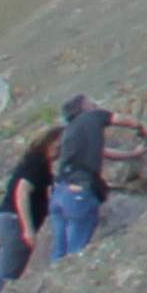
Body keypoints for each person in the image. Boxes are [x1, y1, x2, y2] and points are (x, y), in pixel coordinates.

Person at [0, 127, 55, 293]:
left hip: (1, 219)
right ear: (49, 145)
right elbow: (22, 191)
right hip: (14, 225)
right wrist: (28, 229)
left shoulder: (29, 162)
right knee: (5, 282)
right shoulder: (38, 165)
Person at [50, 92, 118, 259]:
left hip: (59, 193)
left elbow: (104, 152)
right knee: (74, 252)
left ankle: (52, 281)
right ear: (86, 107)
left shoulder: (70, 132)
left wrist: (132, 154)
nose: (96, 106)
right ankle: (67, 280)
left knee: (60, 251)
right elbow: (120, 119)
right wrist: (141, 126)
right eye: (93, 104)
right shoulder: (91, 117)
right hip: (78, 192)